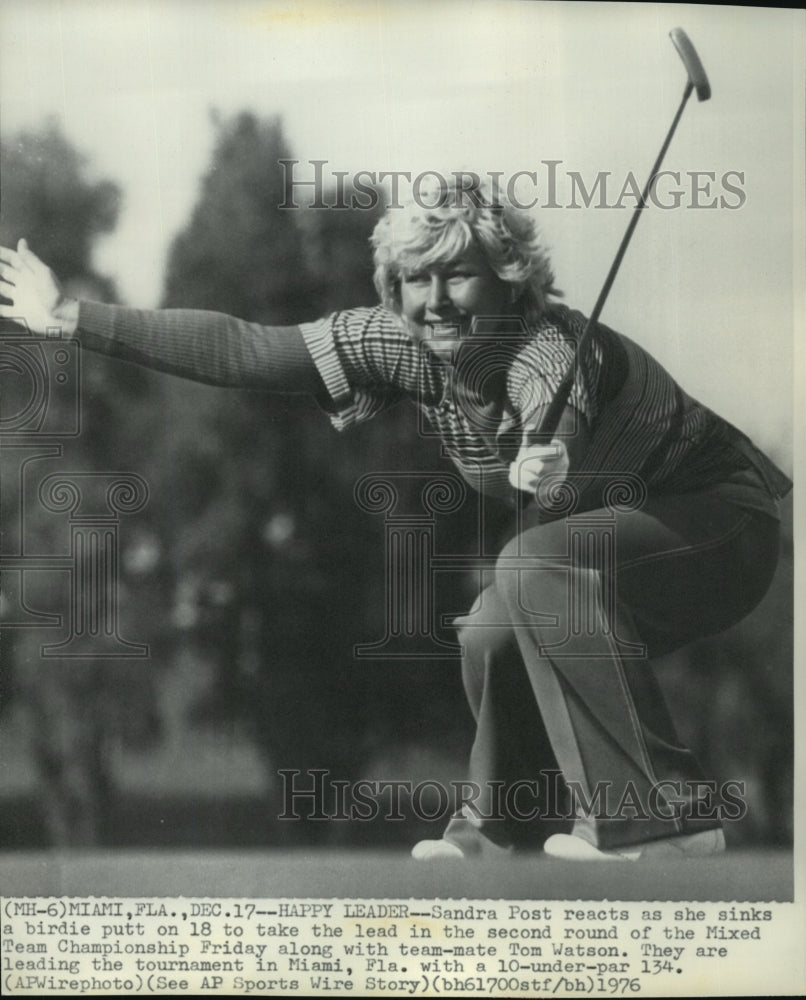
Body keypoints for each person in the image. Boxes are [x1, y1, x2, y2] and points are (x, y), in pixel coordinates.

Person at [0, 177, 791, 862]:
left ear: (512, 281)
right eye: (417, 278)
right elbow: (243, 348)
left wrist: (552, 460)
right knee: (491, 627)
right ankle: (496, 837)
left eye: (459, 275)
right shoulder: (400, 343)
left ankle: (660, 812)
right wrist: (72, 317)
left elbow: (561, 412)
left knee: (531, 565)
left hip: (723, 526)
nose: (435, 300)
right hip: (607, 549)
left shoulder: (549, 344)